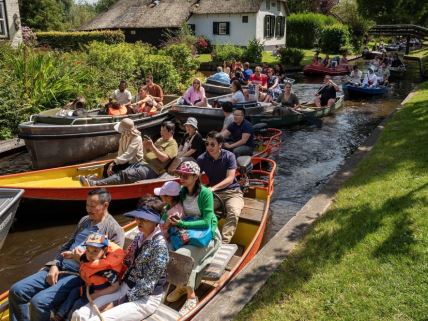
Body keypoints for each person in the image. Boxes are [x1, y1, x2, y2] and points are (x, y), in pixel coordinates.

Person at [9, 189, 125, 321]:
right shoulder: (85, 220)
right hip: (60, 266)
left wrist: (82, 259)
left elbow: (113, 265)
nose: (88, 209)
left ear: (105, 205)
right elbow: (67, 245)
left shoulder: (114, 230)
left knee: (38, 302)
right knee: (17, 291)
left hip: (78, 275)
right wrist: (55, 265)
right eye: (87, 205)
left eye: (92, 206)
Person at [71, 198, 169, 321]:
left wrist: (117, 302)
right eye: (138, 217)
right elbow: (126, 260)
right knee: (80, 314)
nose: (139, 221)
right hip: (124, 287)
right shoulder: (139, 236)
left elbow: (147, 285)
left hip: (144, 299)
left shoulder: (159, 247)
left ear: (156, 222)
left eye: (145, 219)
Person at [165, 161, 221, 315]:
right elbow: (172, 207)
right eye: (179, 175)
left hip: (206, 235)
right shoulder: (182, 192)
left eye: (185, 175)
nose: (181, 178)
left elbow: (206, 222)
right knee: (167, 249)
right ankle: (180, 286)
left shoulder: (205, 193)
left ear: (196, 177)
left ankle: (191, 297)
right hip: (186, 232)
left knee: (182, 255)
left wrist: (182, 223)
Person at [51, 233, 126, 321]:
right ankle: (60, 315)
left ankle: (68, 318)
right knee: (74, 292)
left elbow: (115, 286)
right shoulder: (88, 257)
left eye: (95, 251)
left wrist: (97, 294)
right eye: (88, 250)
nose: (90, 254)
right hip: (89, 287)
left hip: (98, 292)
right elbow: (83, 258)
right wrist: (71, 254)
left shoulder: (106, 270)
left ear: (105, 251)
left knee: (78, 303)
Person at [80, 121, 178, 186]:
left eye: (164, 130)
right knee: (120, 171)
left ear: (171, 132)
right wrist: (146, 147)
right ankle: (99, 181)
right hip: (143, 163)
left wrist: (152, 146)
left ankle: (95, 184)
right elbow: (148, 153)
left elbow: (164, 158)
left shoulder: (173, 144)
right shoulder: (160, 140)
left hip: (153, 169)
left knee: (125, 174)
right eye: (161, 130)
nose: (161, 132)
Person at [197, 132, 244, 244]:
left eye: (212, 144)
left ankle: (223, 243)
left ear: (220, 145)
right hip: (214, 194)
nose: (209, 147)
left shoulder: (229, 156)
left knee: (233, 212)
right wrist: (200, 188)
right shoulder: (202, 158)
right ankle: (206, 237)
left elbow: (230, 178)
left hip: (232, 192)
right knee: (201, 211)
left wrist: (212, 188)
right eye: (207, 144)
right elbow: (196, 177)